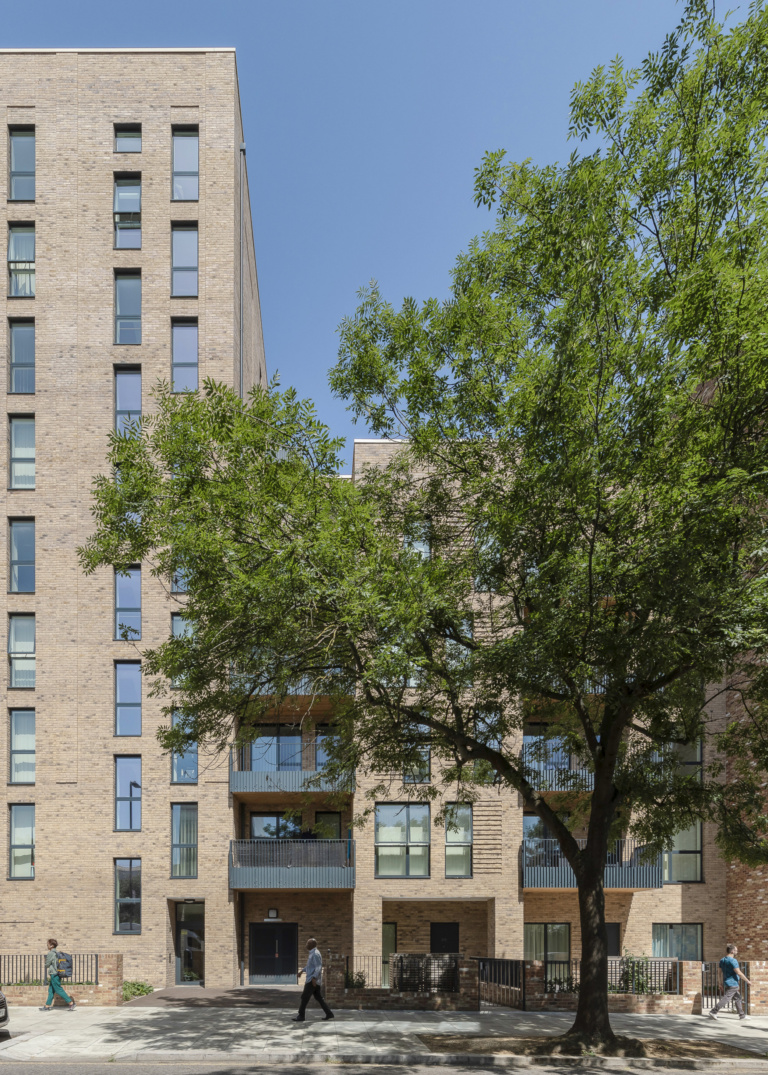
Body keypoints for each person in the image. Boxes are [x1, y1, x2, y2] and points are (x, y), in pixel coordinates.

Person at [293, 937, 334, 1022]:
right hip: (313, 980)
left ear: (313, 945)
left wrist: (314, 978)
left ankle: (301, 1016)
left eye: (308, 943)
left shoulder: (315, 953)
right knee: (318, 997)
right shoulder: (312, 953)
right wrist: (301, 971)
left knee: (304, 997)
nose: (306, 945)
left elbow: (318, 967)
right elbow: (309, 966)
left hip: (312, 980)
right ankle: (329, 1013)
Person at [708, 943, 750, 1021]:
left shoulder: (722, 960)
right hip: (733, 983)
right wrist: (747, 981)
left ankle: (742, 1015)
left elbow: (719, 972)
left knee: (738, 998)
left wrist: (720, 983)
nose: (737, 952)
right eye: (736, 950)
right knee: (727, 998)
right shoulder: (733, 961)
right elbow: (739, 973)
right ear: (732, 951)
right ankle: (713, 1011)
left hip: (726, 982)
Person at [40, 938, 76, 1011]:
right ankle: (47, 1006)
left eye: (48, 944)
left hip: (54, 974)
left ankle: (71, 1003)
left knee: (58, 989)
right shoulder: (57, 953)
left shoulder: (51, 953)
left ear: (52, 945)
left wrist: (45, 961)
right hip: (57, 973)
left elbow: (47, 964)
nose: (47, 945)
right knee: (51, 990)